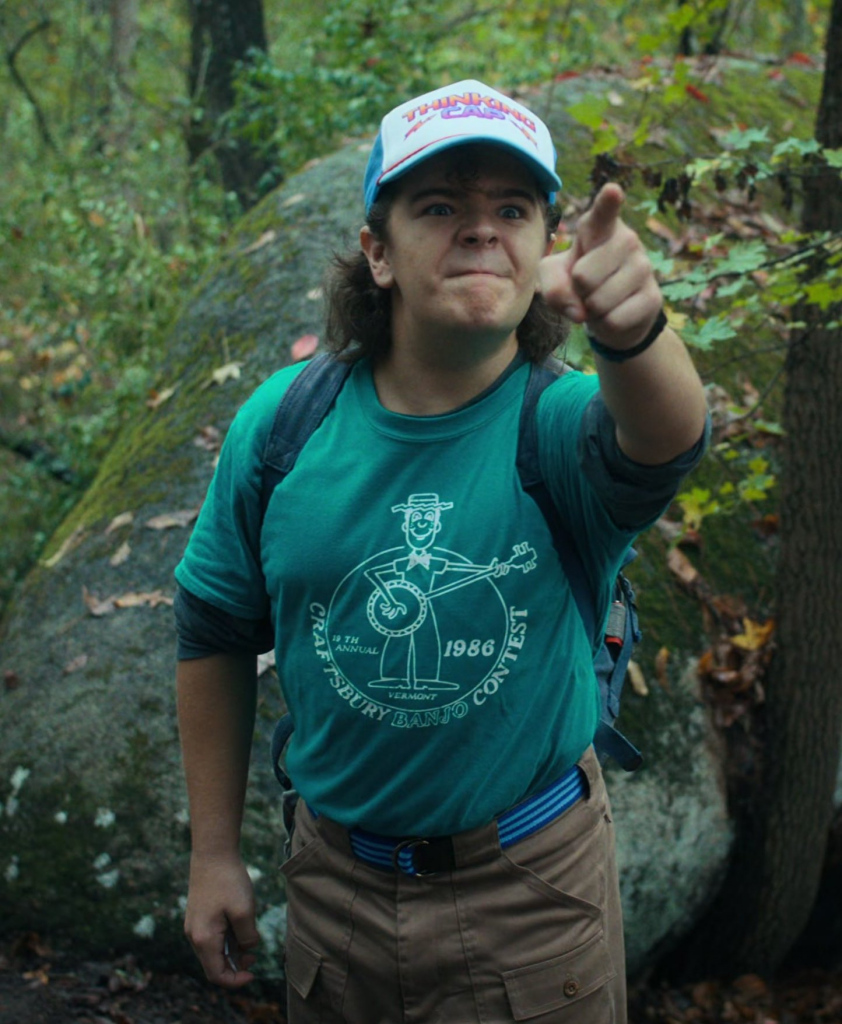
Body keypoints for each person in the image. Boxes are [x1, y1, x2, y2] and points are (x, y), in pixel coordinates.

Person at [174, 79, 709, 1024]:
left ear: (547, 245)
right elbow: (214, 627)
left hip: (532, 897)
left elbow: (665, 440)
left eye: (512, 208)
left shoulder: (562, 424)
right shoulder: (286, 423)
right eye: (439, 207)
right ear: (378, 253)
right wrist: (214, 851)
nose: (479, 229)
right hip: (331, 888)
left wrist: (636, 333)